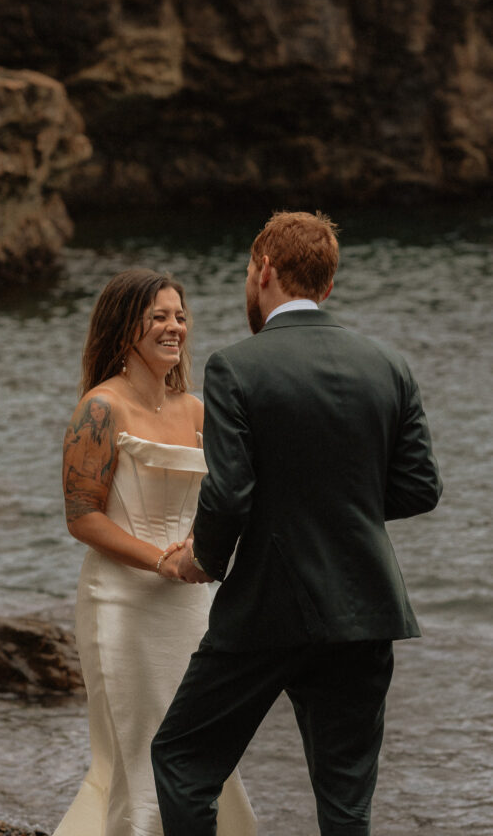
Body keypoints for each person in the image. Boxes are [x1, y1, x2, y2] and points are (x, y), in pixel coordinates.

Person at [152, 210, 443, 836]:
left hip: (265, 609)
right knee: (345, 802)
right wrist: (342, 504)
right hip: (365, 609)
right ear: (328, 285)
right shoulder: (388, 364)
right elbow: (421, 488)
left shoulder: (235, 367)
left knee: (182, 762)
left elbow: (229, 495)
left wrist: (201, 560)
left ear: (263, 270)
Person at [53, 268, 256, 836]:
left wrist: (202, 549)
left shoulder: (195, 410)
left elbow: (225, 497)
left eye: (181, 316)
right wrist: (159, 559)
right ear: (124, 329)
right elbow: (82, 517)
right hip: (123, 602)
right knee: (135, 757)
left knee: (200, 752)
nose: (175, 328)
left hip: (193, 604)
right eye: (160, 316)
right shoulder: (99, 409)